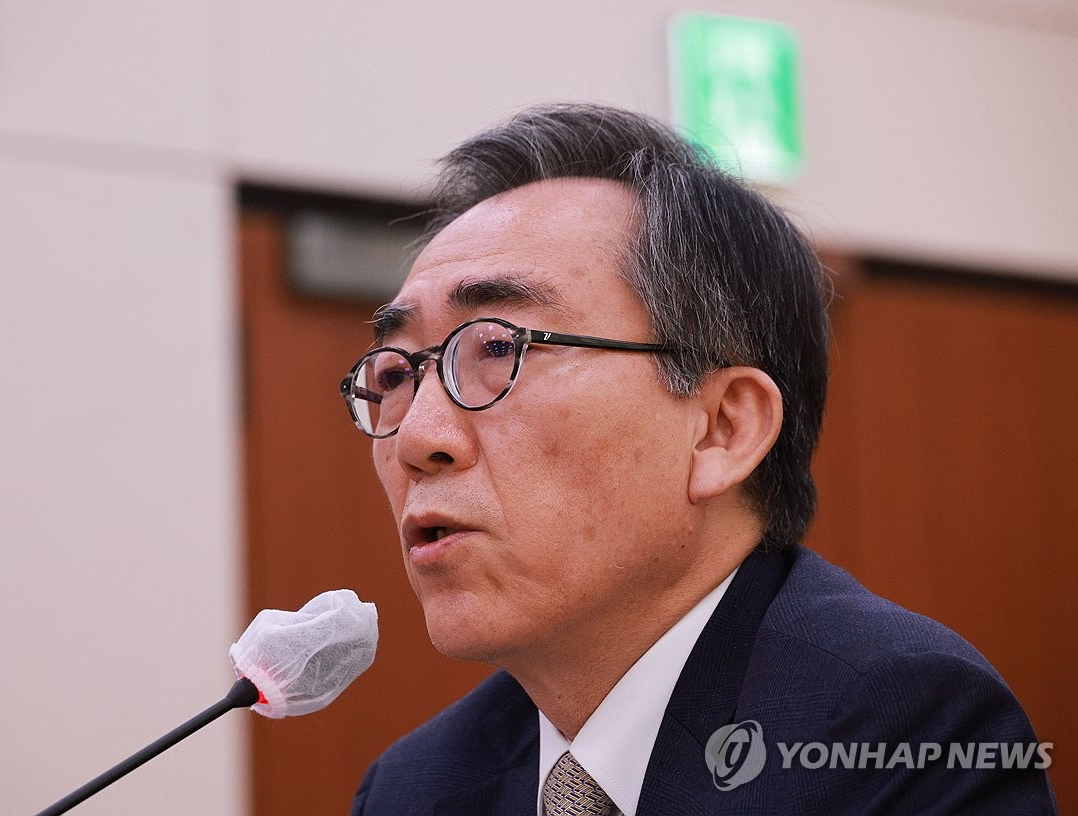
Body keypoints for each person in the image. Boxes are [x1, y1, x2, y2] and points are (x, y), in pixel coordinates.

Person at [339, 103, 1056, 814]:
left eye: (498, 348)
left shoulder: (900, 730)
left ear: (722, 428)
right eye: (397, 375)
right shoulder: (415, 788)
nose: (416, 438)